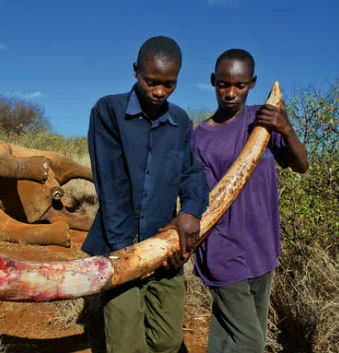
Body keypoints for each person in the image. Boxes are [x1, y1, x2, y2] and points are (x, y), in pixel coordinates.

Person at [81, 36, 209, 353]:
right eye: (151, 81)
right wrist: (131, 259)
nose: (159, 91)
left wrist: (191, 211)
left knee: (166, 340)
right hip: (119, 246)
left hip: (166, 249)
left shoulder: (180, 121)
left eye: (169, 84)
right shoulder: (108, 111)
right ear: (135, 70)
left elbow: (191, 172)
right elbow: (111, 187)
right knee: (126, 343)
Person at [192, 49, 308, 353]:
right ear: (212, 82)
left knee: (228, 333)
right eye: (222, 84)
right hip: (221, 250)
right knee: (251, 341)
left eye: (239, 85)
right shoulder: (199, 139)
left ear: (252, 82)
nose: (230, 93)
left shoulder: (265, 120)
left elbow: (301, 165)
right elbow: (202, 199)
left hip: (262, 247)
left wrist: (286, 128)